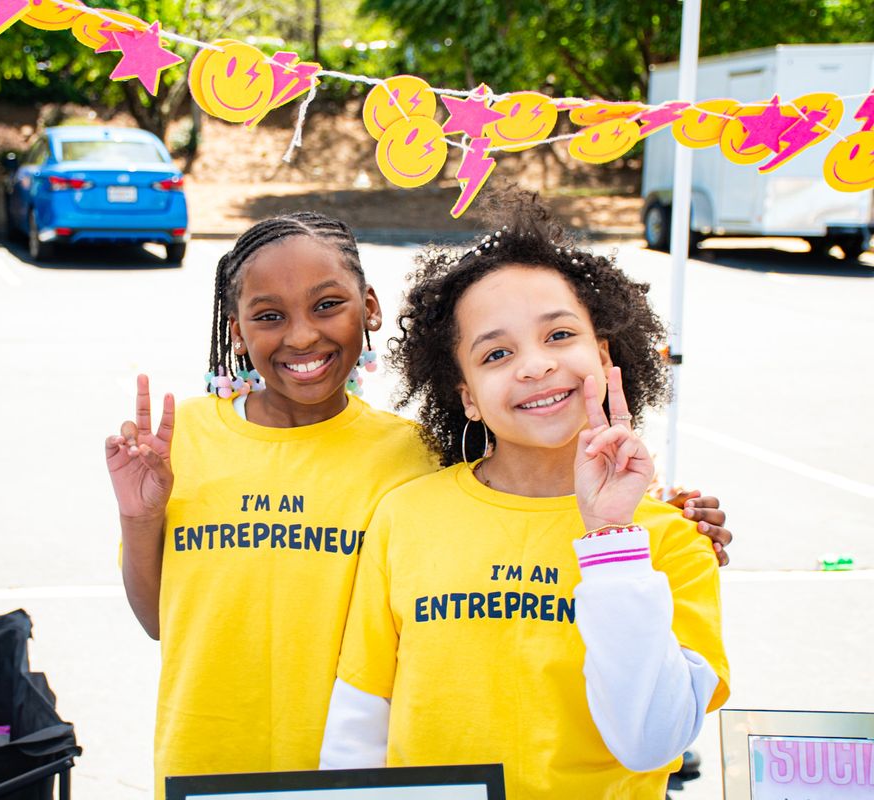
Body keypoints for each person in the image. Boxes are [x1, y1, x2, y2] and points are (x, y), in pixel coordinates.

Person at [104, 211, 731, 793]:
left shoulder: (417, 456)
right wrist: (140, 518)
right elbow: (166, 619)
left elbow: (530, 493)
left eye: (327, 305)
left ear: (368, 309)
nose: (301, 334)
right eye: (269, 316)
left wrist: (646, 522)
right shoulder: (181, 443)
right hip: (207, 764)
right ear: (235, 330)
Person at [319, 192, 730, 798]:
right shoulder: (406, 517)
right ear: (466, 395)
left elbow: (651, 740)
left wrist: (612, 537)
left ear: (605, 355)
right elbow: (360, 720)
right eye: (497, 353)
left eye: (559, 334)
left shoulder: (670, 541)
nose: (535, 366)